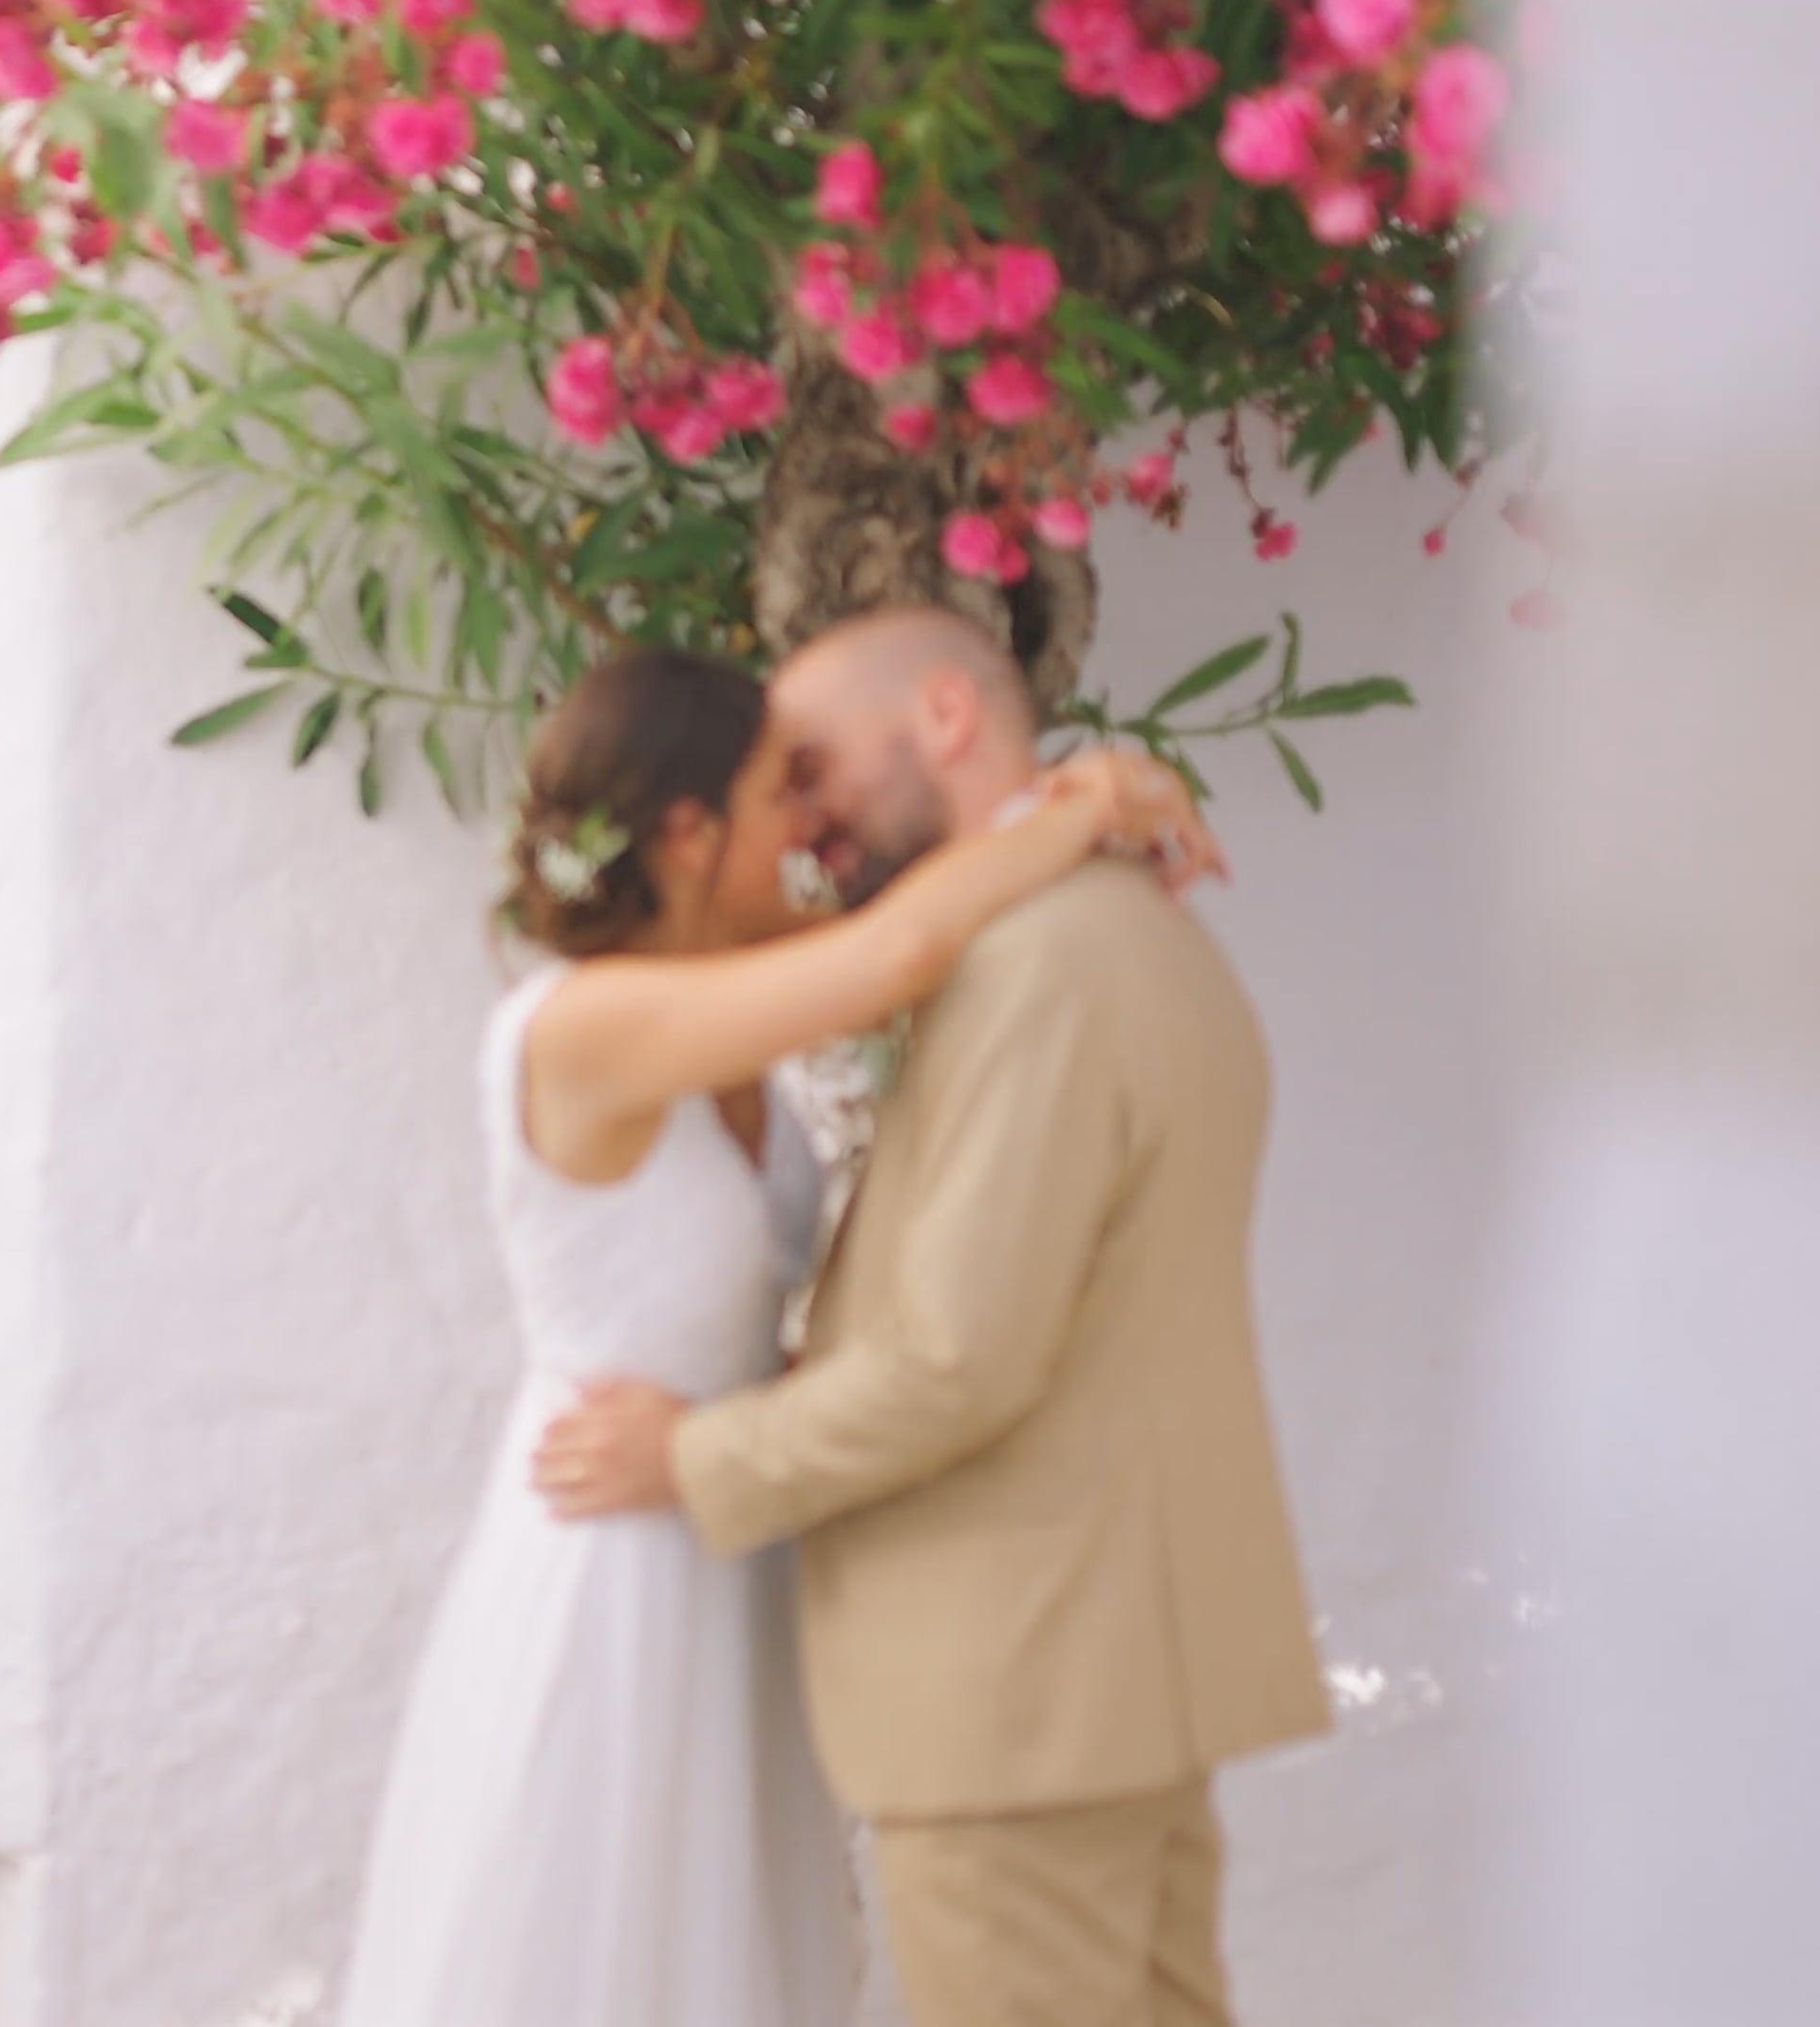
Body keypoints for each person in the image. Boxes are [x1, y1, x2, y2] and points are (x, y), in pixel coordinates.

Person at [338, 637, 1227, 2026]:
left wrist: (1082, 794)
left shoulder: (739, 978)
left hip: (731, 1529)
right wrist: (1079, 802)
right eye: (780, 793)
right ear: (691, 833)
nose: (810, 824)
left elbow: (939, 922)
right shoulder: (583, 1026)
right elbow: (909, 945)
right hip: (617, 1548)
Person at [531, 607, 1332, 2027]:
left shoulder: (1041, 966)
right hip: (1100, 1672)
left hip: (1019, 1689)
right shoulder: (1115, 928)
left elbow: (959, 1354)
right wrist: (1095, 795)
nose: (809, 816)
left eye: (819, 764)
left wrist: (695, 1460)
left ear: (947, 718)